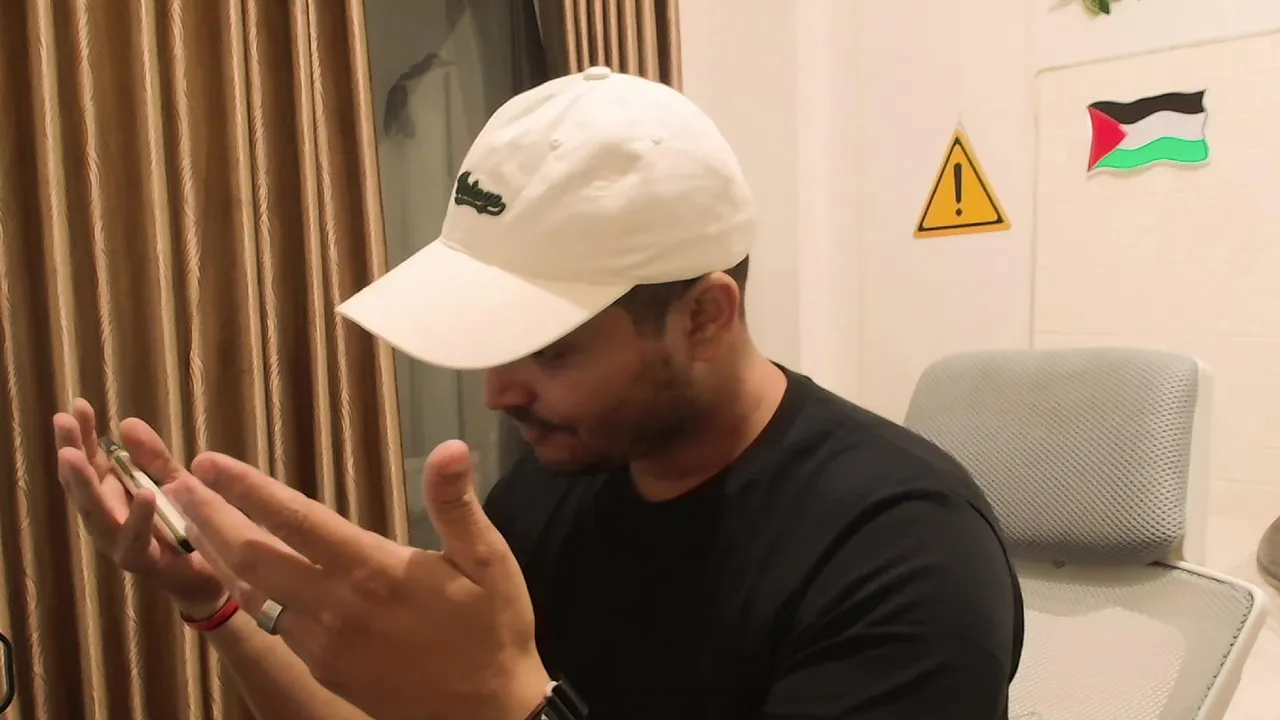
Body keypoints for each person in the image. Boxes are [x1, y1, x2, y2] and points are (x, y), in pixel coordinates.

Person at [53, 67, 1023, 720]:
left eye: (550, 352)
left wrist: (512, 705)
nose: (495, 395)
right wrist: (217, 605)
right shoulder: (556, 487)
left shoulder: (904, 558)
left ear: (703, 316)